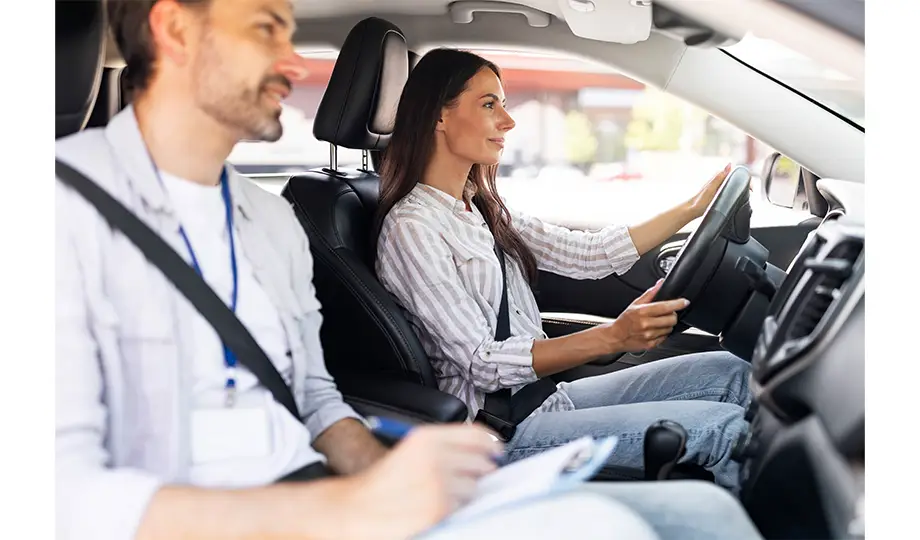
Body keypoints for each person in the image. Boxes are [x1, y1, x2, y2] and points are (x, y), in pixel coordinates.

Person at [55, 1, 763, 539]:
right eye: (267, 28)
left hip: (338, 495)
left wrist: (386, 472)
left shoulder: (268, 221)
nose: (294, 62)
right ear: (175, 29)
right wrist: (352, 506)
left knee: (706, 493)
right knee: (692, 503)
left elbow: (316, 396)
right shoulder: (58, 217)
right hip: (302, 511)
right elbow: (55, 496)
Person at [375, 48, 752, 491]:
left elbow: (590, 253)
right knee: (725, 430)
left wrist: (694, 208)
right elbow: (481, 363)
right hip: (500, 429)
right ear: (439, 116)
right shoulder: (412, 228)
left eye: (503, 105)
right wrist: (613, 337)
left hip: (543, 399)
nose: (508, 122)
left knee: (734, 373)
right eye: (489, 105)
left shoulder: (479, 208)